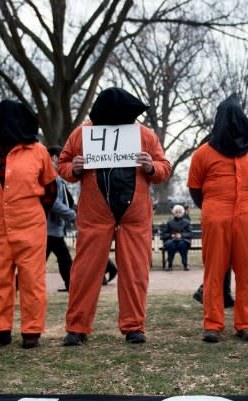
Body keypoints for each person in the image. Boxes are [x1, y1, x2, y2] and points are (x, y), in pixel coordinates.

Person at [58, 87, 171, 346]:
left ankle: (134, 327)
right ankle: (76, 328)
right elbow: (63, 165)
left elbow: (165, 167)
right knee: (85, 271)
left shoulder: (145, 135)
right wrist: (73, 169)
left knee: (135, 272)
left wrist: (151, 166)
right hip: (95, 214)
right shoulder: (81, 133)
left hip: (135, 215)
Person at [187, 94, 248, 343]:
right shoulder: (203, 153)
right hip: (216, 213)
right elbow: (195, 188)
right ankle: (212, 324)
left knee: (247, 270)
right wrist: (212, 208)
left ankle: (245, 323)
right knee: (214, 270)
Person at [0, 99, 58, 349]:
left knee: (32, 279)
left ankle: (31, 331)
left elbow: (51, 189)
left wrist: (32, 209)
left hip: (30, 222)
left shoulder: (38, 151)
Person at [45, 145, 77, 292]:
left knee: (63, 258)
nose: (64, 162)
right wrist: (72, 216)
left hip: (53, 228)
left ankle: (71, 285)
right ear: (54, 158)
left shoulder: (56, 176)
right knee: (63, 258)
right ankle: (71, 286)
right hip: (49, 228)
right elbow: (53, 202)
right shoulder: (51, 176)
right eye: (61, 158)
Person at [161, 204, 192, 270]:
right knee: (171, 245)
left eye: (180, 212)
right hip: (171, 240)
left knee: (182, 244)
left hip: (183, 240)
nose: (178, 214)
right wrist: (170, 235)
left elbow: (190, 234)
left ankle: (185, 264)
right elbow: (164, 234)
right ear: (174, 213)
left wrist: (182, 235)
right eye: (176, 212)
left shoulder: (186, 222)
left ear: (182, 213)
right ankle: (170, 265)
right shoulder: (169, 222)